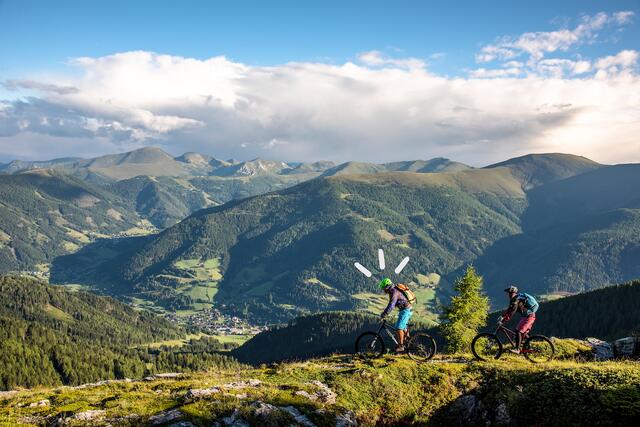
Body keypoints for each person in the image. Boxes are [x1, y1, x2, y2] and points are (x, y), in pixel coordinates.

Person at [499, 285, 539, 354]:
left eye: (509, 293)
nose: (508, 294)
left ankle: (517, 349)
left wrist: (503, 320)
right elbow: (509, 310)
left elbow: (512, 312)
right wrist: (502, 317)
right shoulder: (515, 299)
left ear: (513, 293)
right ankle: (529, 348)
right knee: (522, 332)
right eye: (508, 293)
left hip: (529, 316)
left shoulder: (516, 299)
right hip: (527, 316)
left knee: (518, 331)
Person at [379, 277, 413, 352]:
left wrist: (384, 314)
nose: (383, 290)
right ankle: (408, 343)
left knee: (398, 327)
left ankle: (401, 346)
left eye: (383, 288)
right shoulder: (392, 291)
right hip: (405, 310)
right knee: (402, 328)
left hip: (406, 310)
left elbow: (391, 305)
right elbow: (391, 304)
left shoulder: (394, 292)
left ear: (387, 286)